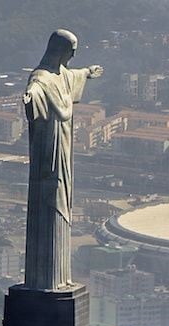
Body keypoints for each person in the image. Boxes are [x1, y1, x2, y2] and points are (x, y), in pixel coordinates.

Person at [23, 29, 103, 290]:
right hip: (49, 151)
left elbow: (72, 75)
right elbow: (35, 88)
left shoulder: (62, 76)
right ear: (59, 50)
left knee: (63, 202)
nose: (73, 56)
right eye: (71, 51)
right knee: (50, 203)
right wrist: (31, 97)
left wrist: (88, 72)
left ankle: (60, 277)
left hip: (64, 149)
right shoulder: (42, 78)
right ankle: (46, 279)